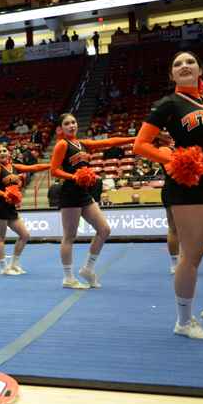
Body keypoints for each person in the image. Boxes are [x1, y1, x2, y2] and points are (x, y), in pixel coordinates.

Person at [133, 51, 203, 339]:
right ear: (172, 75)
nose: (184, 66)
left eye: (190, 62)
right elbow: (140, 145)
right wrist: (172, 158)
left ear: (200, 70)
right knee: (192, 256)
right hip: (187, 187)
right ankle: (184, 321)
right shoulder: (168, 104)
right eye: (177, 64)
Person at [50, 113, 134, 289]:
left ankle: (88, 269)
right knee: (69, 237)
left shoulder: (83, 144)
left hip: (84, 193)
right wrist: (74, 177)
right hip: (70, 194)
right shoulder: (62, 145)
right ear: (60, 128)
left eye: (73, 122)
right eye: (67, 123)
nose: (72, 125)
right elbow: (54, 171)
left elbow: (110, 142)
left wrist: (135, 138)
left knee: (104, 230)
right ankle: (68, 277)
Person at [0, 145, 50, 275]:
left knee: (25, 235)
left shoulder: (15, 167)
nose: (2, 153)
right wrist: (5, 194)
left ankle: (14, 264)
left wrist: (51, 165)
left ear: (9, 153)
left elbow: (34, 167)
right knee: (0, 238)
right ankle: (4, 268)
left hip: (10, 207)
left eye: (4, 150)